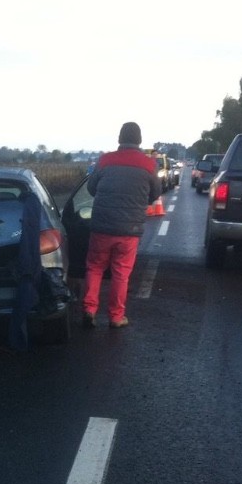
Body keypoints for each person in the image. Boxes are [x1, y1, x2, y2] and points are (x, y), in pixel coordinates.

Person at [81, 121, 160, 329]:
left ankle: (89, 309)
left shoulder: (105, 160)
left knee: (95, 267)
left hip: (102, 226)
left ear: (119, 138)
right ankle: (116, 317)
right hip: (129, 230)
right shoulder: (149, 164)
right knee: (121, 273)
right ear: (140, 140)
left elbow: (91, 188)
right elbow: (155, 193)